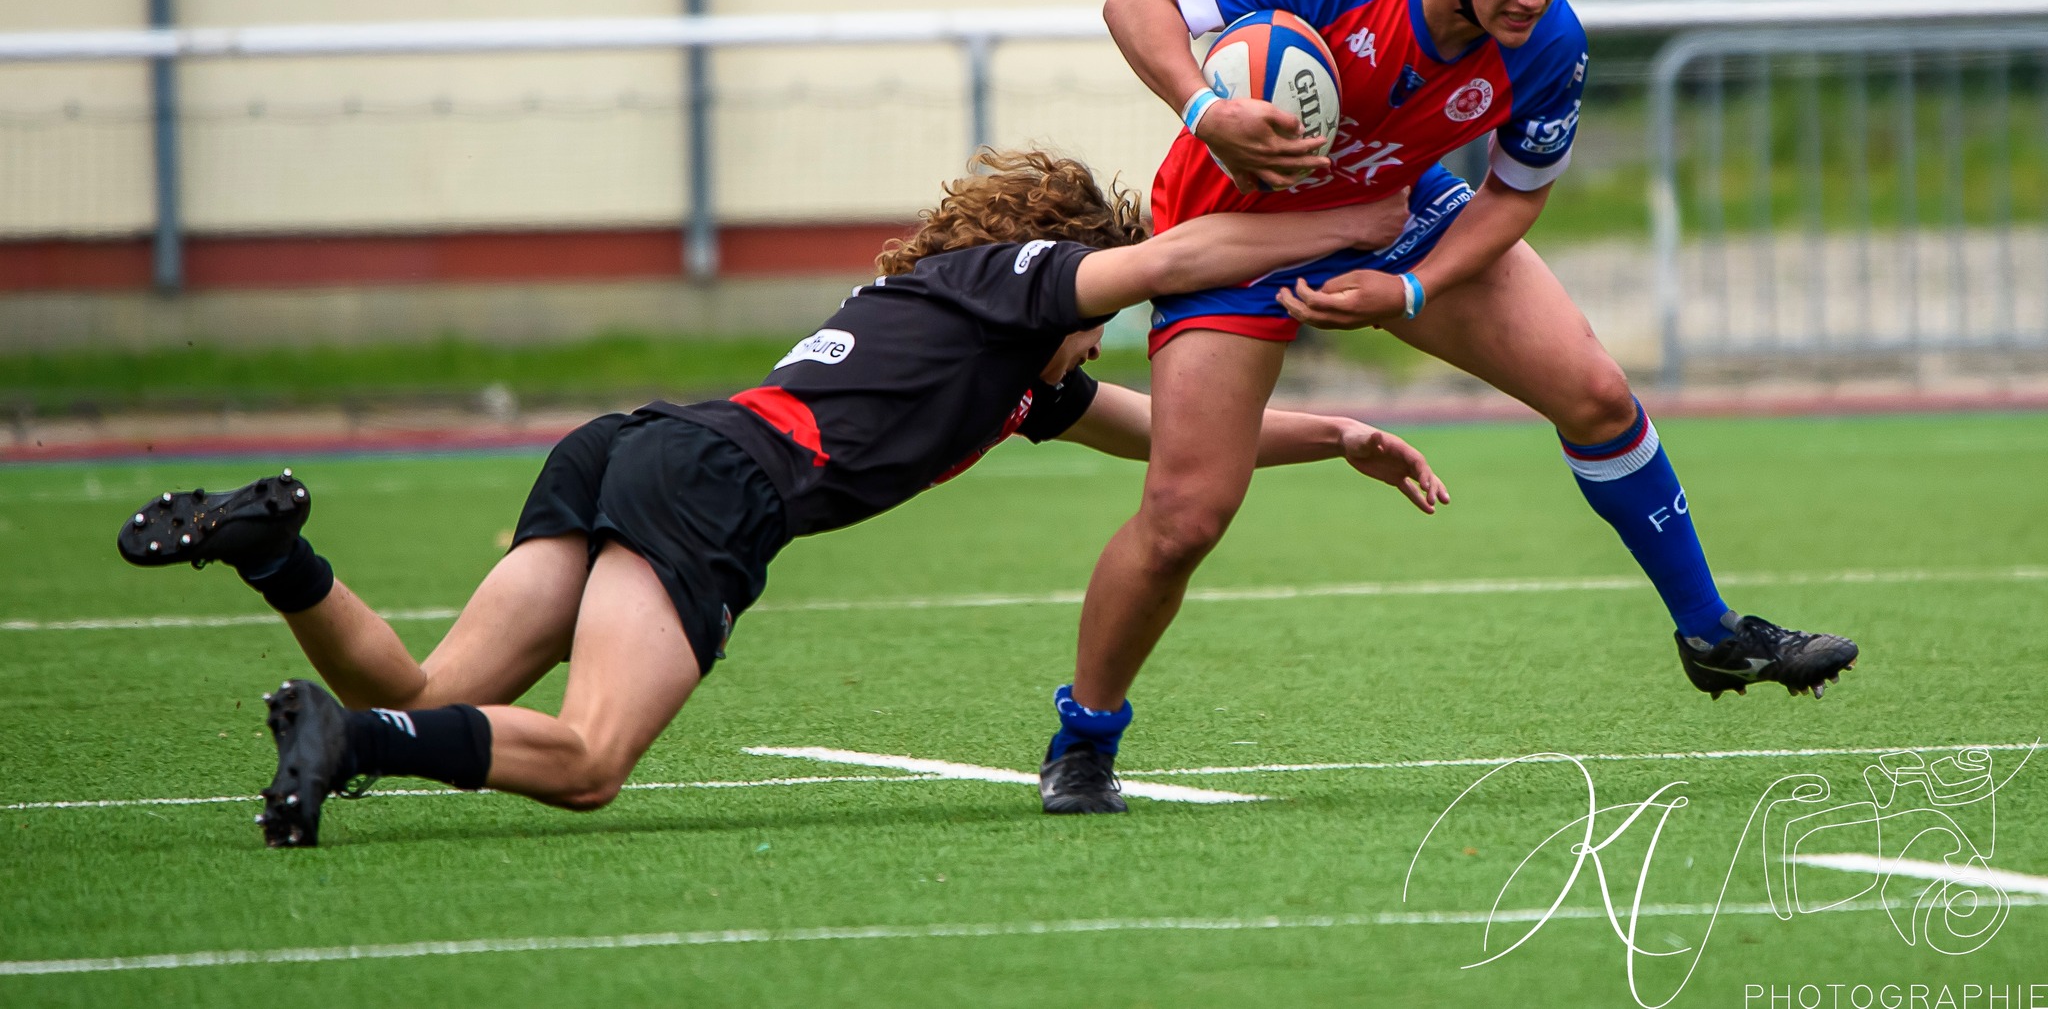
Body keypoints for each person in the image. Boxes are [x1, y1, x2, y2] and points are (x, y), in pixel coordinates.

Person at [115, 150, 1446, 846]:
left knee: (427, 686)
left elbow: (1163, 437)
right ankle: (350, 745)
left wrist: (1340, 432)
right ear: (1064, 265)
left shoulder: (997, 363)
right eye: (1095, 319)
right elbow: (1175, 259)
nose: (1097, 343)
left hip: (636, 445)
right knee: (587, 762)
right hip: (714, 483)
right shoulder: (1012, 285)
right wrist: (1358, 222)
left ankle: (275, 552)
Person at [1035, 0, 1857, 815]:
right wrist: (1206, 110)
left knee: (1596, 394)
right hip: (1229, 237)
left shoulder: (1550, 45)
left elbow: (1513, 196)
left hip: (1392, 212)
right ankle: (1084, 738)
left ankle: (1709, 632)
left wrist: (1413, 289)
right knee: (1184, 519)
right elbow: (1135, 1)